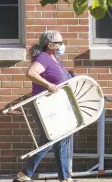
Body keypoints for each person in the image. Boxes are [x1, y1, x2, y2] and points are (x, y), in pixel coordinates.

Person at [14, 31, 76, 182]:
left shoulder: (56, 60)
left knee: (60, 138)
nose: (63, 45)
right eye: (60, 43)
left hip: (56, 107)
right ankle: (24, 174)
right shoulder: (43, 58)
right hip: (44, 107)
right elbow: (31, 73)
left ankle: (65, 178)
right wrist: (49, 85)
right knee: (50, 138)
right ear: (50, 45)